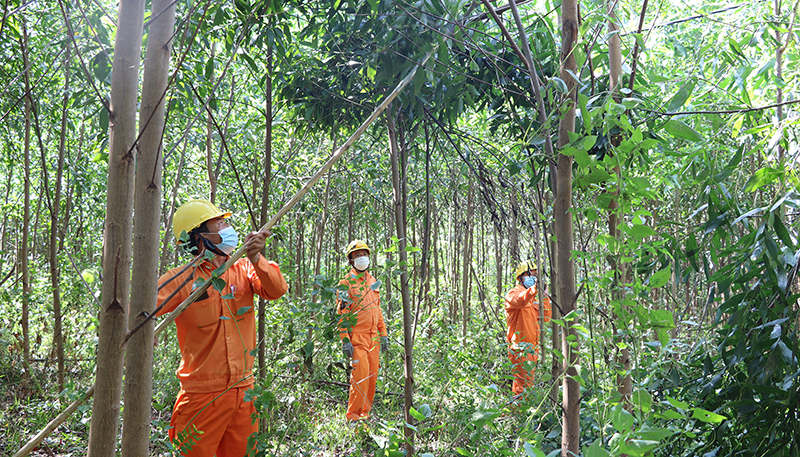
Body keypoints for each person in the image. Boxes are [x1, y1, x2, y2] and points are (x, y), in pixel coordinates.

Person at [156, 198, 288, 457]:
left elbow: (277, 290)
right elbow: (139, 311)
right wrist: (144, 331)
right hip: (201, 398)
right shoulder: (182, 279)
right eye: (220, 222)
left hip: (244, 392)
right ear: (199, 236)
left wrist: (257, 257)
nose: (228, 227)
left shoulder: (245, 268)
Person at [337, 239, 388, 422]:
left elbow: (378, 309)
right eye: (357, 255)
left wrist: (383, 334)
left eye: (364, 254)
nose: (362, 258)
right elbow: (342, 314)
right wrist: (345, 339)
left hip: (374, 338)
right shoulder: (345, 283)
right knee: (359, 379)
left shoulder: (373, 282)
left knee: (372, 379)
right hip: (357, 339)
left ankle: (365, 415)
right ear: (351, 260)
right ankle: (353, 417)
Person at [505, 260, 552, 395]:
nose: (536, 278)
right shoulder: (513, 294)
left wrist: (544, 297)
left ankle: (522, 411)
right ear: (522, 276)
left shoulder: (532, 298)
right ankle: (518, 413)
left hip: (532, 348)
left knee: (528, 384)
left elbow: (546, 318)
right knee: (522, 384)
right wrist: (534, 289)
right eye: (533, 275)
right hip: (520, 348)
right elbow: (520, 300)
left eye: (537, 275)